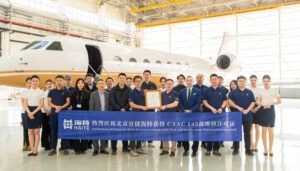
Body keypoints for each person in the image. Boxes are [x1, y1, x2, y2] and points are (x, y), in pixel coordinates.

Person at [228, 76, 255, 156]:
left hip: (247, 116)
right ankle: (236, 149)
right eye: (240, 81)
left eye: (243, 81)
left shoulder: (249, 92)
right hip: (236, 115)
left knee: (247, 133)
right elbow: (229, 101)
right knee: (236, 133)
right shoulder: (233, 92)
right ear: (237, 82)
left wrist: (248, 110)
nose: (242, 82)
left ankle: (248, 150)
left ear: (246, 82)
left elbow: (253, 102)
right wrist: (237, 107)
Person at [203, 74, 227, 156]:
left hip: (219, 114)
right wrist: (211, 108)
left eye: (215, 79)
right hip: (209, 114)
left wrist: (221, 108)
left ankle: (216, 149)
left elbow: (225, 101)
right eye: (212, 79)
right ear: (210, 80)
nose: (214, 80)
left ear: (218, 80)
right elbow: (204, 101)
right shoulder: (206, 90)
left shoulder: (222, 90)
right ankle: (208, 149)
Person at [258, 75, 281, 157]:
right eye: (264, 81)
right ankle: (265, 148)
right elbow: (258, 101)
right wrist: (262, 104)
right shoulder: (260, 90)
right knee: (263, 130)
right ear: (262, 81)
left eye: (267, 81)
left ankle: (270, 148)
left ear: (270, 81)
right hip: (263, 110)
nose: (266, 82)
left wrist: (270, 104)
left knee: (270, 130)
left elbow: (279, 101)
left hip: (271, 110)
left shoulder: (274, 90)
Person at [179, 76, 202, 157]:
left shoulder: (198, 91)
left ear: (193, 81)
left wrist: (191, 110)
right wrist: (184, 110)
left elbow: (198, 103)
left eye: (190, 80)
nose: (189, 82)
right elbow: (180, 102)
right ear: (185, 81)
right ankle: (186, 149)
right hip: (184, 115)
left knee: (196, 134)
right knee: (184, 133)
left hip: (195, 115)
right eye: (187, 80)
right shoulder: (181, 91)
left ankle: (194, 150)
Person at [48, 75, 71, 156]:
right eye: (57, 80)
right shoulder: (51, 91)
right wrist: (56, 107)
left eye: (61, 80)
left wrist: (61, 107)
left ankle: (65, 148)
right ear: (55, 81)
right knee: (53, 131)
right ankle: (53, 148)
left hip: (64, 114)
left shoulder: (66, 91)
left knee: (64, 131)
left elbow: (68, 102)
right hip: (54, 114)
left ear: (63, 81)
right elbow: (49, 102)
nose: (59, 82)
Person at [22, 75, 44, 156]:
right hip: (28, 111)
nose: (35, 82)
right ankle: (31, 149)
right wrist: (29, 112)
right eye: (33, 80)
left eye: (36, 81)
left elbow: (41, 104)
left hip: (37, 111)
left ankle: (35, 149)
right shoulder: (26, 92)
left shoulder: (41, 92)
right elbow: (25, 103)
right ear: (31, 82)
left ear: (38, 82)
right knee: (30, 131)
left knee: (37, 131)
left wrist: (33, 112)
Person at [109, 73, 131, 155]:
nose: (122, 79)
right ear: (118, 79)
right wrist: (119, 108)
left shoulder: (129, 89)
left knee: (125, 131)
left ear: (125, 79)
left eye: (123, 78)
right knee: (114, 131)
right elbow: (112, 100)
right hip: (115, 113)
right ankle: (114, 148)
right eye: (120, 78)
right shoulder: (113, 89)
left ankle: (125, 147)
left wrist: (125, 108)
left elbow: (130, 101)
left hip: (125, 113)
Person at [128, 75, 148, 157]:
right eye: (137, 81)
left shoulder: (144, 91)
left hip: (143, 115)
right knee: (134, 131)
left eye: (140, 81)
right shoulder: (132, 92)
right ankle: (132, 149)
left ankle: (139, 147)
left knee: (140, 131)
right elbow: (131, 104)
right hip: (135, 114)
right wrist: (141, 107)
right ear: (134, 82)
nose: (138, 82)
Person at [89, 79, 110, 156]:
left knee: (104, 133)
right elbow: (91, 107)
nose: (101, 85)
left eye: (102, 83)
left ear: (104, 85)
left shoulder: (108, 94)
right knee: (95, 133)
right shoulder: (93, 94)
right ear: (97, 85)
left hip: (105, 117)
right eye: (99, 83)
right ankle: (96, 149)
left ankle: (102, 149)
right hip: (96, 117)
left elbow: (109, 106)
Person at [159, 79, 179, 157]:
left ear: (173, 85)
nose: (169, 85)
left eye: (170, 84)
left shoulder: (176, 94)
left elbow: (176, 103)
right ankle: (165, 149)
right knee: (164, 133)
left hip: (172, 117)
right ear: (165, 84)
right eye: (167, 83)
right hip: (163, 116)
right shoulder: (161, 94)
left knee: (173, 133)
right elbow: (158, 103)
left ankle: (173, 150)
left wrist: (166, 106)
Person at [70, 78, 90, 155]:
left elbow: (88, 105)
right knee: (76, 131)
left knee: (84, 132)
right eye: (79, 83)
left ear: (84, 84)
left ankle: (83, 148)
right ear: (76, 84)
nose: (80, 84)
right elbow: (72, 103)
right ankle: (77, 148)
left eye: (82, 83)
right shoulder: (73, 93)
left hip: (85, 115)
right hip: (75, 115)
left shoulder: (87, 93)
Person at [141, 70, 157, 148]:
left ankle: (150, 142)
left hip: (151, 109)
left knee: (150, 126)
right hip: (143, 108)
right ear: (143, 75)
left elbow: (156, 96)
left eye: (148, 74)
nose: (146, 76)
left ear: (150, 75)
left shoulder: (153, 85)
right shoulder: (140, 84)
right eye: (145, 74)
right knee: (143, 125)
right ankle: (143, 141)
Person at [193, 74, 208, 148]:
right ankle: (196, 144)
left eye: (200, 78)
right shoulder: (193, 88)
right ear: (196, 79)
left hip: (205, 110)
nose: (199, 79)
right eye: (197, 77)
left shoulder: (206, 88)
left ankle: (204, 142)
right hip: (195, 111)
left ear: (203, 79)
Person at [173, 74, 186, 148]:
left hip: (184, 111)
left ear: (184, 80)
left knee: (184, 127)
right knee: (177, 127)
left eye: (182, 79)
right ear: (177, 80)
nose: (180, 80)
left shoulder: (186, 88)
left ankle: (183, 141)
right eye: (179, 79)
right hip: (176, 110)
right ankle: (179, 142)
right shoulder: (174, 88)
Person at [249, 75, 261, 152]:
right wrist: (250, 108)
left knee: (257, 127)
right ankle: (252, 144)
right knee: (250, 128)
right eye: (252, 80)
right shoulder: (248, 89)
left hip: (258, 109)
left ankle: (256, 144)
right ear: (250, 81)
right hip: (250, 108)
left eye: (254, 80)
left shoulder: (260, 89)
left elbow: (262, 100)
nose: (253, 81)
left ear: (257, 80)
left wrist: (257, 107)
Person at [41, 79, 53, 151]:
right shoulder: (43, 93)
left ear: (52, 85)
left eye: (50, 84)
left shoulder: (54, 92)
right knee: (45, 129)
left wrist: (51, 111)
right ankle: (45, 144)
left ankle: (52, 144)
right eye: (48, 84)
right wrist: (46, 110)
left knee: (52, 129)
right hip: (44, 113)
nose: (49, 85)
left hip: (52, 113)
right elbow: (41, 103)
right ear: (46, 85)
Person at [21, 77, 32, 152]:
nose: (29, 84)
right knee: (25, 129)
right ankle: (25, 144)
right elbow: (22, 102)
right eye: (28, 83)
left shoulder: (34, 91)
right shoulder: (23, 92)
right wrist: (27, 110)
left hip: (32, 113)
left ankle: (31, 145)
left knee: (31, 129)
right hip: (24, 112)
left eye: (30, 82)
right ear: (26, 84)